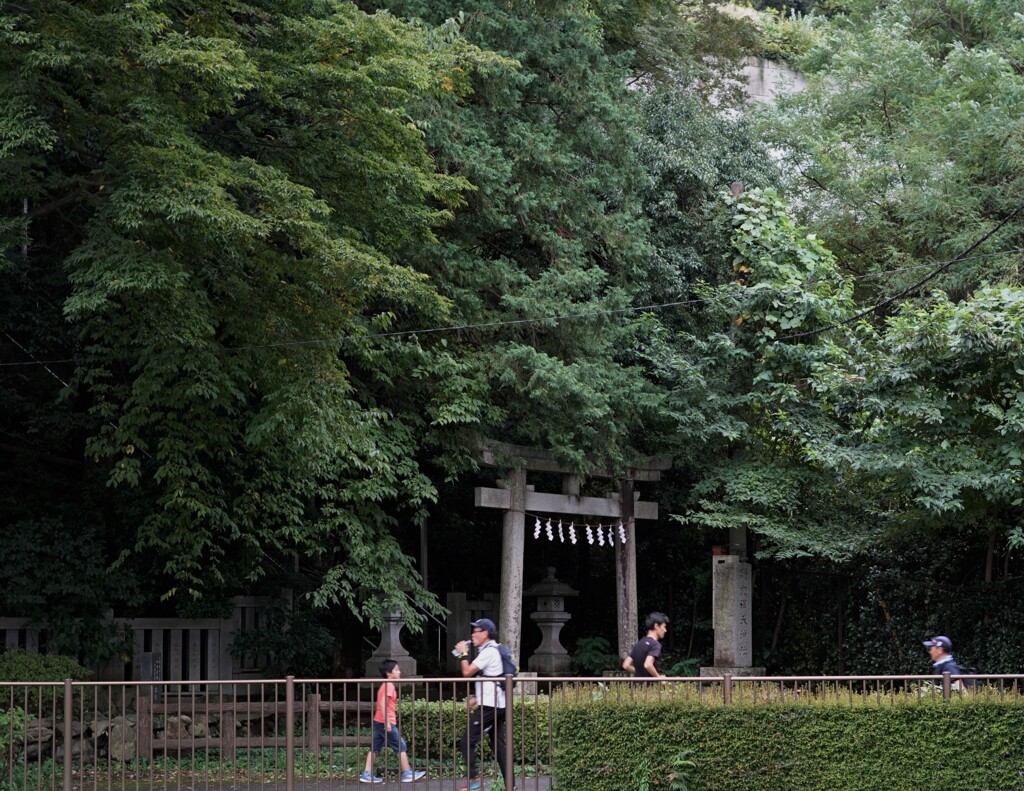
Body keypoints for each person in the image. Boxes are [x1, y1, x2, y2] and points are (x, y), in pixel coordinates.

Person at [453, 618, 514, 791]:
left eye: (476, 631)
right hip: (497, 704)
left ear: (485, 633)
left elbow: (467, 672)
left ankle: (472, 780)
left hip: (490, 706)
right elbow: (488, 677)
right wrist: (475, 697)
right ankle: (512, 785)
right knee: (499, 747)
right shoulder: (490, 649)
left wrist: (464, 653)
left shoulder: (489, 652)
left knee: (467, 741)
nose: (473, 634)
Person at [360, 659, 427, 784]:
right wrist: (387, 722)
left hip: (379, 721)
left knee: (375, 747)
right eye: (396, 669)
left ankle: (367, 773)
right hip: (385, 722)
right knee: (400, 745)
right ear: (388, 673)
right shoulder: (389, 685)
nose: (399, 671)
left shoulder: (386, 685)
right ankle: (407, 773)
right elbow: (382, 704)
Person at [622, 612, 669, 678]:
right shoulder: (655, 645)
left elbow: (625, 665)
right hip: (651, 687)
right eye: (664, 627)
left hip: (637, 687)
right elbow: (648, 664)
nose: (665, 630)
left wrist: (640, 673)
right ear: (656, 626)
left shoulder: (639, 643)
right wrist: (659, 678)